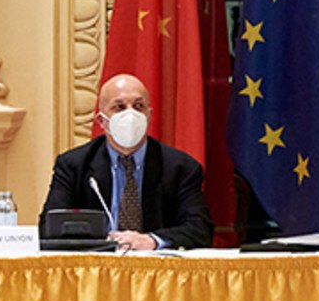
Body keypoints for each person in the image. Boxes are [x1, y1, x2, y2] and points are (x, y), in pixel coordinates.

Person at [42, 73, 213, 251]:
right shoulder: (74, 165)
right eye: (119, 107)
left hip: (156, 265)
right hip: (96, 264)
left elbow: (200, 228)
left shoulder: (180, 168)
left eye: (138, 106)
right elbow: (48, 227)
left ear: (148, 116)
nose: (130, 114)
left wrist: (152, 241)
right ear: (102, 121)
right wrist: (100, 242)